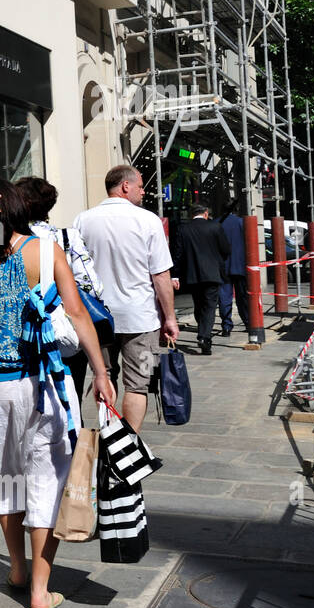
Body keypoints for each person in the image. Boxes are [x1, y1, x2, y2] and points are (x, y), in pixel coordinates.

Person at [0, 180, 115, 608]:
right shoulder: (47, 251)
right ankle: (39, 589)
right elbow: (77, 314)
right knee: (45, 482)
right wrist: (103, 373)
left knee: (7, 477)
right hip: (45, 384)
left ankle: (16, 569)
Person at [74, 165, 178, 434]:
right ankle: (129, 445)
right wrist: (170, 318)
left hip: (98, 318)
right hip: (140, 319)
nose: (144, 192)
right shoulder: (148, 220)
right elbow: (161, 276)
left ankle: (109, 438)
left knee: (104, 376)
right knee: (138, 384)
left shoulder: (83, 220)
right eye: (141, 186)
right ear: (125, 186)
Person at [15, 176, 106, 404]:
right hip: (64, 329)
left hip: (22, 330)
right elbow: (92, 285)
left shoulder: (10, 239)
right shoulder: (66, 237)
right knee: (69, 395)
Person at [170, 203, 231, 355]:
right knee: (210, 306)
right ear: (205, 213)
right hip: (212, 274)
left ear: (192, 214)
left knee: (198, 304)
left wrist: (175, 274)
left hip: (192, 274)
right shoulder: (215, 227)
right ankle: (204, 337)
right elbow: (226, 250)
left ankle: (203, 331)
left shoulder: (183, 229)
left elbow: (177, 254)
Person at [218, 200, 254, 337]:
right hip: (240, 265)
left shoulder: (217, 223)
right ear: (236, 209)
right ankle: (248, 323)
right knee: (243, 297)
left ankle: (226, 326)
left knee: (224, 297)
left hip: (222, 266)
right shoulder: (242, 223)